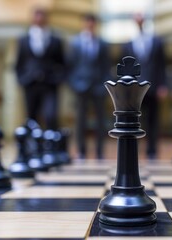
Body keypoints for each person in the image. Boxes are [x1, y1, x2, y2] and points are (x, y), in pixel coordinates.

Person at [121, 14, 167, 159]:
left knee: (153, 120)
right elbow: (123, 67)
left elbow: (162, 66)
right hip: (134, 89)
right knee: (134, 120)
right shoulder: (129, 43)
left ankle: (152, 150)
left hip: (153, 86)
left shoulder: (156, 41)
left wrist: (162, 85)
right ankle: (134, 149)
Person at [68, 14, 110, 159]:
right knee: (81, 121)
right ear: (84, 23)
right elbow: (70, 65)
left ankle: (99, 151)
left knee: (100, 120)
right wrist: (74, 84)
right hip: (81, 86)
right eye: (88, 22)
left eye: (93, 22)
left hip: (98, 87)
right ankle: (81, 150)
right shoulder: (75, 43)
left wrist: (105, 85)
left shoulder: (102, 43)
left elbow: (106, 67)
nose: (90, 25)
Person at [15, 8, 66, 130]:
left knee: (51, 116)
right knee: (31, 118)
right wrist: (22, 80)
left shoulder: (55, 40)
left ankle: (51, 145)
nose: (39, 18)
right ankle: (31, 147)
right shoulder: (23, 40)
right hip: (30, 83)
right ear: (32, 18)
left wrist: (58, 79)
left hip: (49, 84)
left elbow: (63, 63)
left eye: (42, 16)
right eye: (36, 15)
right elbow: (19, 63)